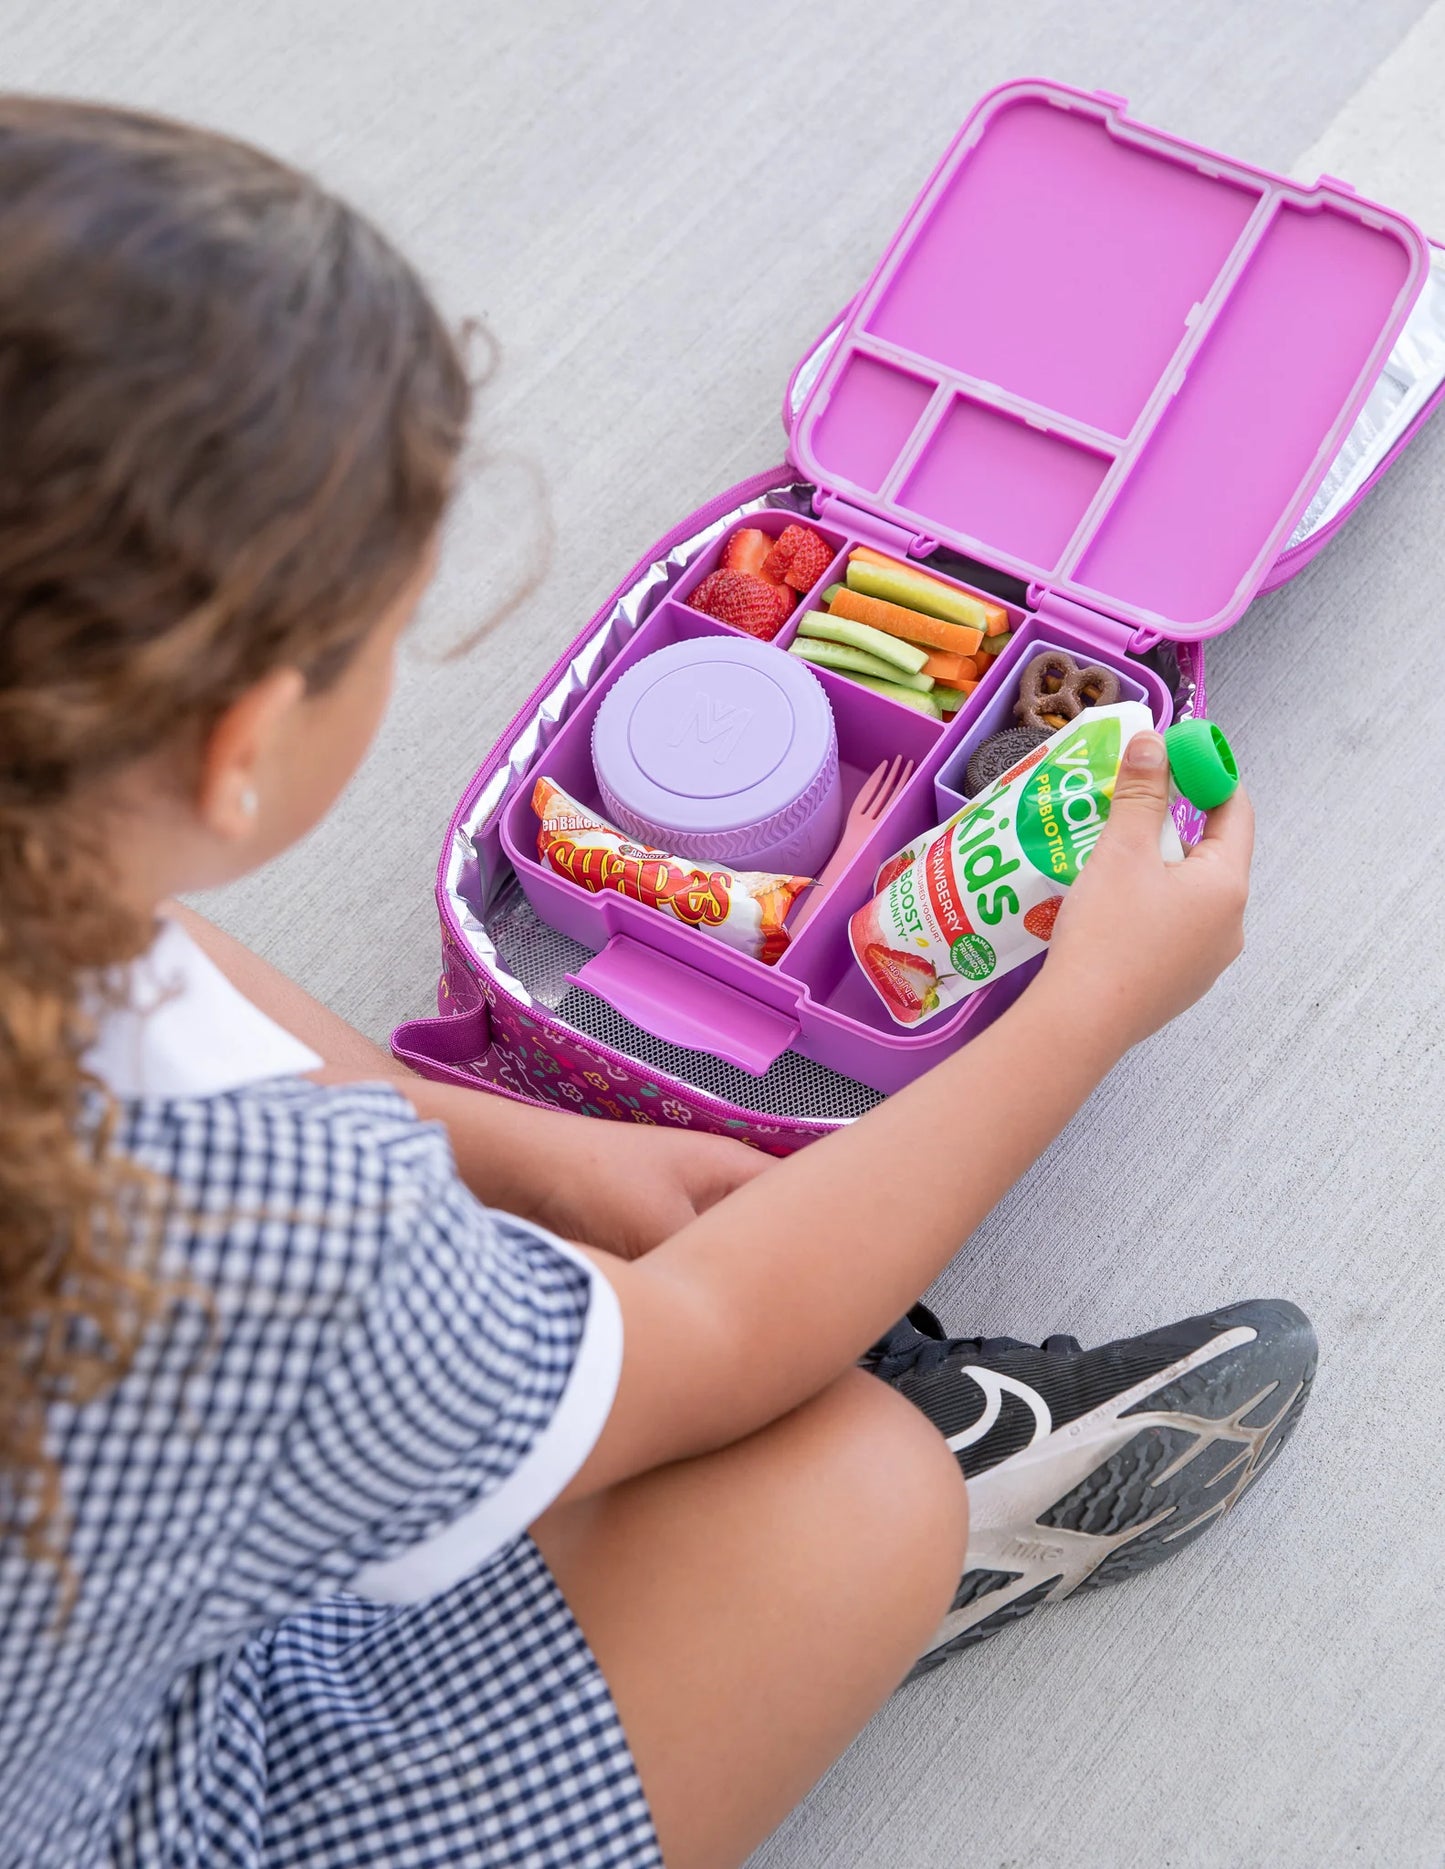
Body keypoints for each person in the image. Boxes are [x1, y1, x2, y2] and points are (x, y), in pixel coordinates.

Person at [0, 96, 1315, 1869]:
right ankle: (934, 1524)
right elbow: (709, 1343)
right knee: (854, 1481)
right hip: (132, 1786)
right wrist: (1085, 1010)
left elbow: (106, 951)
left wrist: (520, 1145)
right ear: (247, 742)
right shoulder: (267, 1246)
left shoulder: (58, 907)